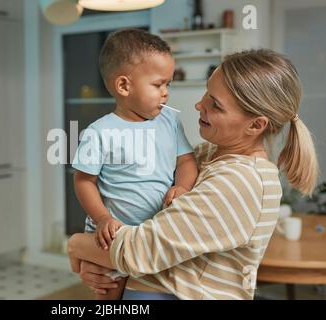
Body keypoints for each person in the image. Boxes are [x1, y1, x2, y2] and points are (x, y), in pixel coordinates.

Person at [68, 49, 319, 300]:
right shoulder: (206, 155)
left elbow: (141, 251)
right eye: (207, 93)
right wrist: (100, 265)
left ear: (255, 125)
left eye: (216, 104)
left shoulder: (243, 182)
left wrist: (78, 246)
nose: (199, 105)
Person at [71, 29, 199, 300]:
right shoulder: (99, 132)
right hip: (111, 238)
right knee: (108, 295)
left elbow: (186, 160)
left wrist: (183, 186)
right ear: (124, 86)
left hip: (155, 236)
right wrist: (102, 218)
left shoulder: (170, 121)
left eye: (169, 85)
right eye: (158, 85)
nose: (165, 94)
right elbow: (84, 181)